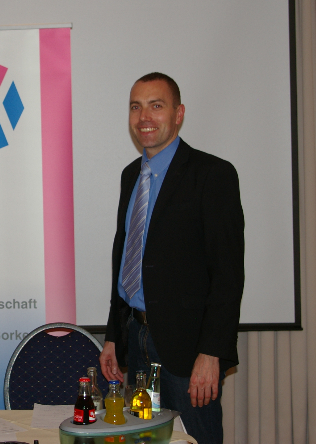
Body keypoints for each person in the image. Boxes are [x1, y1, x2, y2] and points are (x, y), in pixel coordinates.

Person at [99, 73, 244, 444]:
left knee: (196, 439)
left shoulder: (212, 175)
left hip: (188, 351)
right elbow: (125, 258)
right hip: (138, 340)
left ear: (178, 114)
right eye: (136, 107)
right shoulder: (130, 176)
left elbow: (228, 275)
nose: (144, 116)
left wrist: (211, 352)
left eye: (156, 105)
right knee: (147, 438)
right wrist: (114, 337)